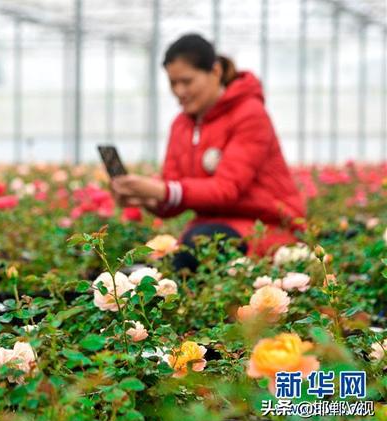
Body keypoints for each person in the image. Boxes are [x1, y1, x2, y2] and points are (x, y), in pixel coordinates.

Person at [111, 34, 305, 270]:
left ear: (215, 72)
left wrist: (162, 190)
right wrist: (145, 197)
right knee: (159, 260)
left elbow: (226, 189)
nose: (179, 91)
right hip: (210, 228)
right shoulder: (181, 125)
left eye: (187, 81)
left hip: (263, 227)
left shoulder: (250, 114)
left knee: (197, 248)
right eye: (173, 83)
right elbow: (174, 194)